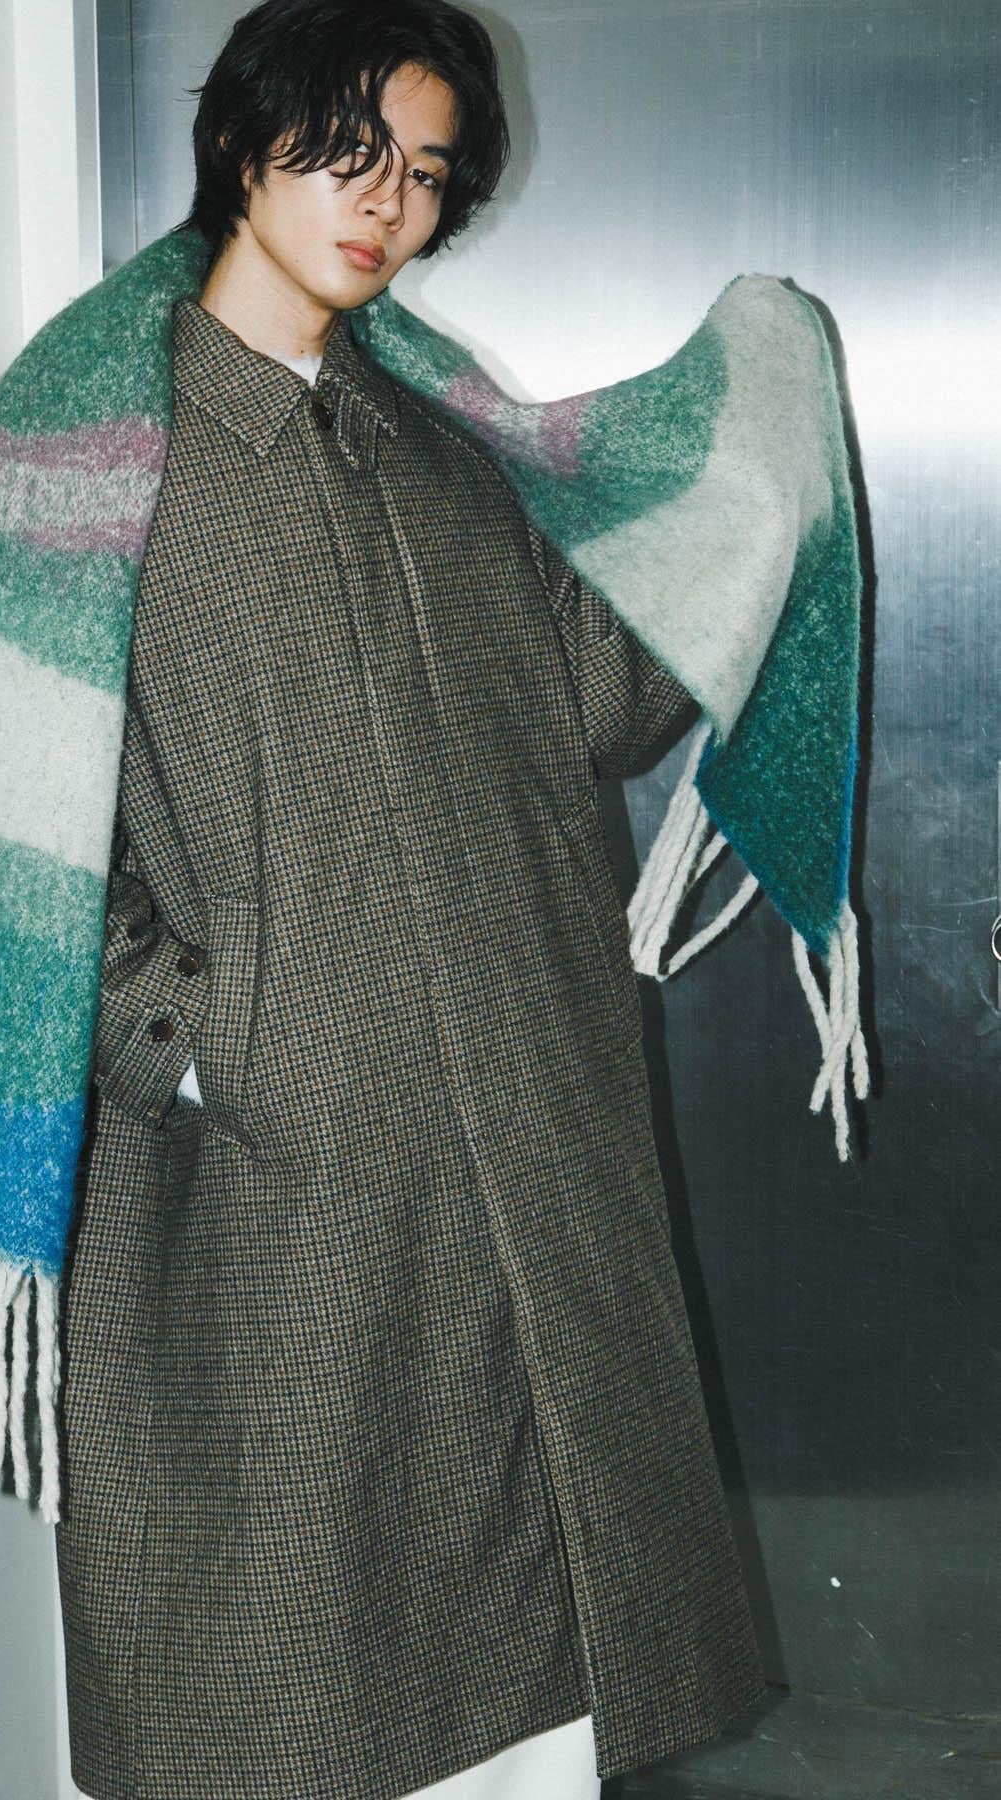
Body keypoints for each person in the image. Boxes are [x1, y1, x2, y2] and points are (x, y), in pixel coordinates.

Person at [49, 3, 767, 1797]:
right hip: (273, 1195)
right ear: (245, 144)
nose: (387, 205)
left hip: (525, 1141)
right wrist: (211, 1048)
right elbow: (26, 843)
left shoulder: (447, 454)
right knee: (283, 1677)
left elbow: (592, 702)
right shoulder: (102, 462)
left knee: (532, 1669)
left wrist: (751, 466)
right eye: (349, 152)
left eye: (427, 175)